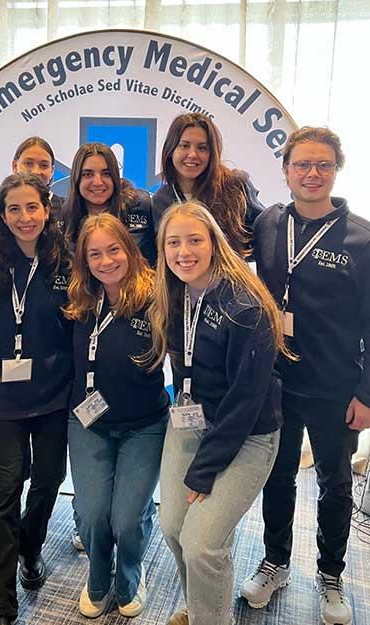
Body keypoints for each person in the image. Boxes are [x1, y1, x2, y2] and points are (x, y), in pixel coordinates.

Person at [240, 127, 370, 625]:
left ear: (336, 171)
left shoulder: (360, 238)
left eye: (322, 165)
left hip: (337, 386)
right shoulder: (271, 223)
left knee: (335, 484)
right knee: (277, 475)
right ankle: (275, 562)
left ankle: (332, 574)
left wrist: (367, 393)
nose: (311, 174)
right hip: (275, 380)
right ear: (286, 170)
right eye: (301, 165)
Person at [149, 201, 288, 625]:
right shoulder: (172, 291)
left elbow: (245, 402)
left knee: (202, 543)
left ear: (215, 243)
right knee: (173, 529)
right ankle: (202, 608)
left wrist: (203, 469)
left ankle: (214, 618)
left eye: (195, 240)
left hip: (247, 434)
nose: (184, 251)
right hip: (190, 422)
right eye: (174, 242)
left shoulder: (244, 304)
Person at [64, 213, 169, 618]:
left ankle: (129, 576)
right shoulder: (80, 300)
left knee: (125, 520)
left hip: (144, 425)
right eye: (95, 254)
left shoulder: (156, 296)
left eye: (113, 250)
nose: (106, 261)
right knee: (92, 515)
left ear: (129, 248)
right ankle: (98, 576)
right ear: (84, 260)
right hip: (88, 423)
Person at [0, 173, 73, 625]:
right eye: (13, 209)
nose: (24, 217)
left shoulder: (66, 260)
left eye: (31, 208)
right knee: (5, 488)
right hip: (5, 397)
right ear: (2, 215)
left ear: (46, 209)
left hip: (55, 393)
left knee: (48, 479)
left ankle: (30, 548)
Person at [151, 113, 264, 258]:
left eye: (202, 148)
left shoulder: (236, 186)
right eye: (184, 145)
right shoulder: (161, 201)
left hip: (232, 278)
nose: (192, 154)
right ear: (170, 150)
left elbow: (264, 236)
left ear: (212, 153)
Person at [63, 142, 157, 266]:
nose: (97, 182)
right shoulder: (64, 215)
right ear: (76, 179)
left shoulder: (142, 205)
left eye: (106, 173)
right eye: (88, 174)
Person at [0, 136, 64, 228]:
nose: (36, 171)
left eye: (44, 165)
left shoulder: (65, 208)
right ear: (15, 166)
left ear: (52, 171)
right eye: (28, 163)